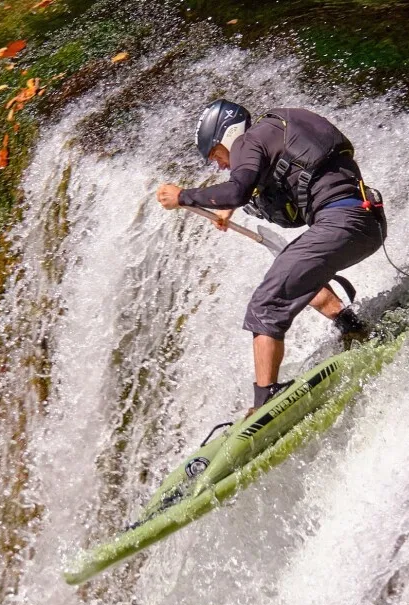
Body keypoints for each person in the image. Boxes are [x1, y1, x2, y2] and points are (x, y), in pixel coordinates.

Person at [156, 99, 387, 411]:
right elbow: (258, 183)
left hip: (341, 223)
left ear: (227, 135)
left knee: (265, 304)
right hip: (366, 222)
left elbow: (239, 187)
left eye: (216, 156)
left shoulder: (246, 141)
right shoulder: (273, 131)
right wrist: (228, 206)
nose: (221, 165)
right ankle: (353, 327)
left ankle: (266, 398)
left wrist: (183, 196)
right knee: (293, 274)